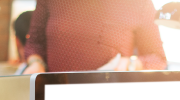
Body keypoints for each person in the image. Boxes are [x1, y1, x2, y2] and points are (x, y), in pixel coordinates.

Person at [23, 0, 166, 73]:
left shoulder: (139, 3)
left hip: (110, 98)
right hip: (55, 97)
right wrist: (37, 63)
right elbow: (35, 43)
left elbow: (158, 58)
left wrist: (132, 64)